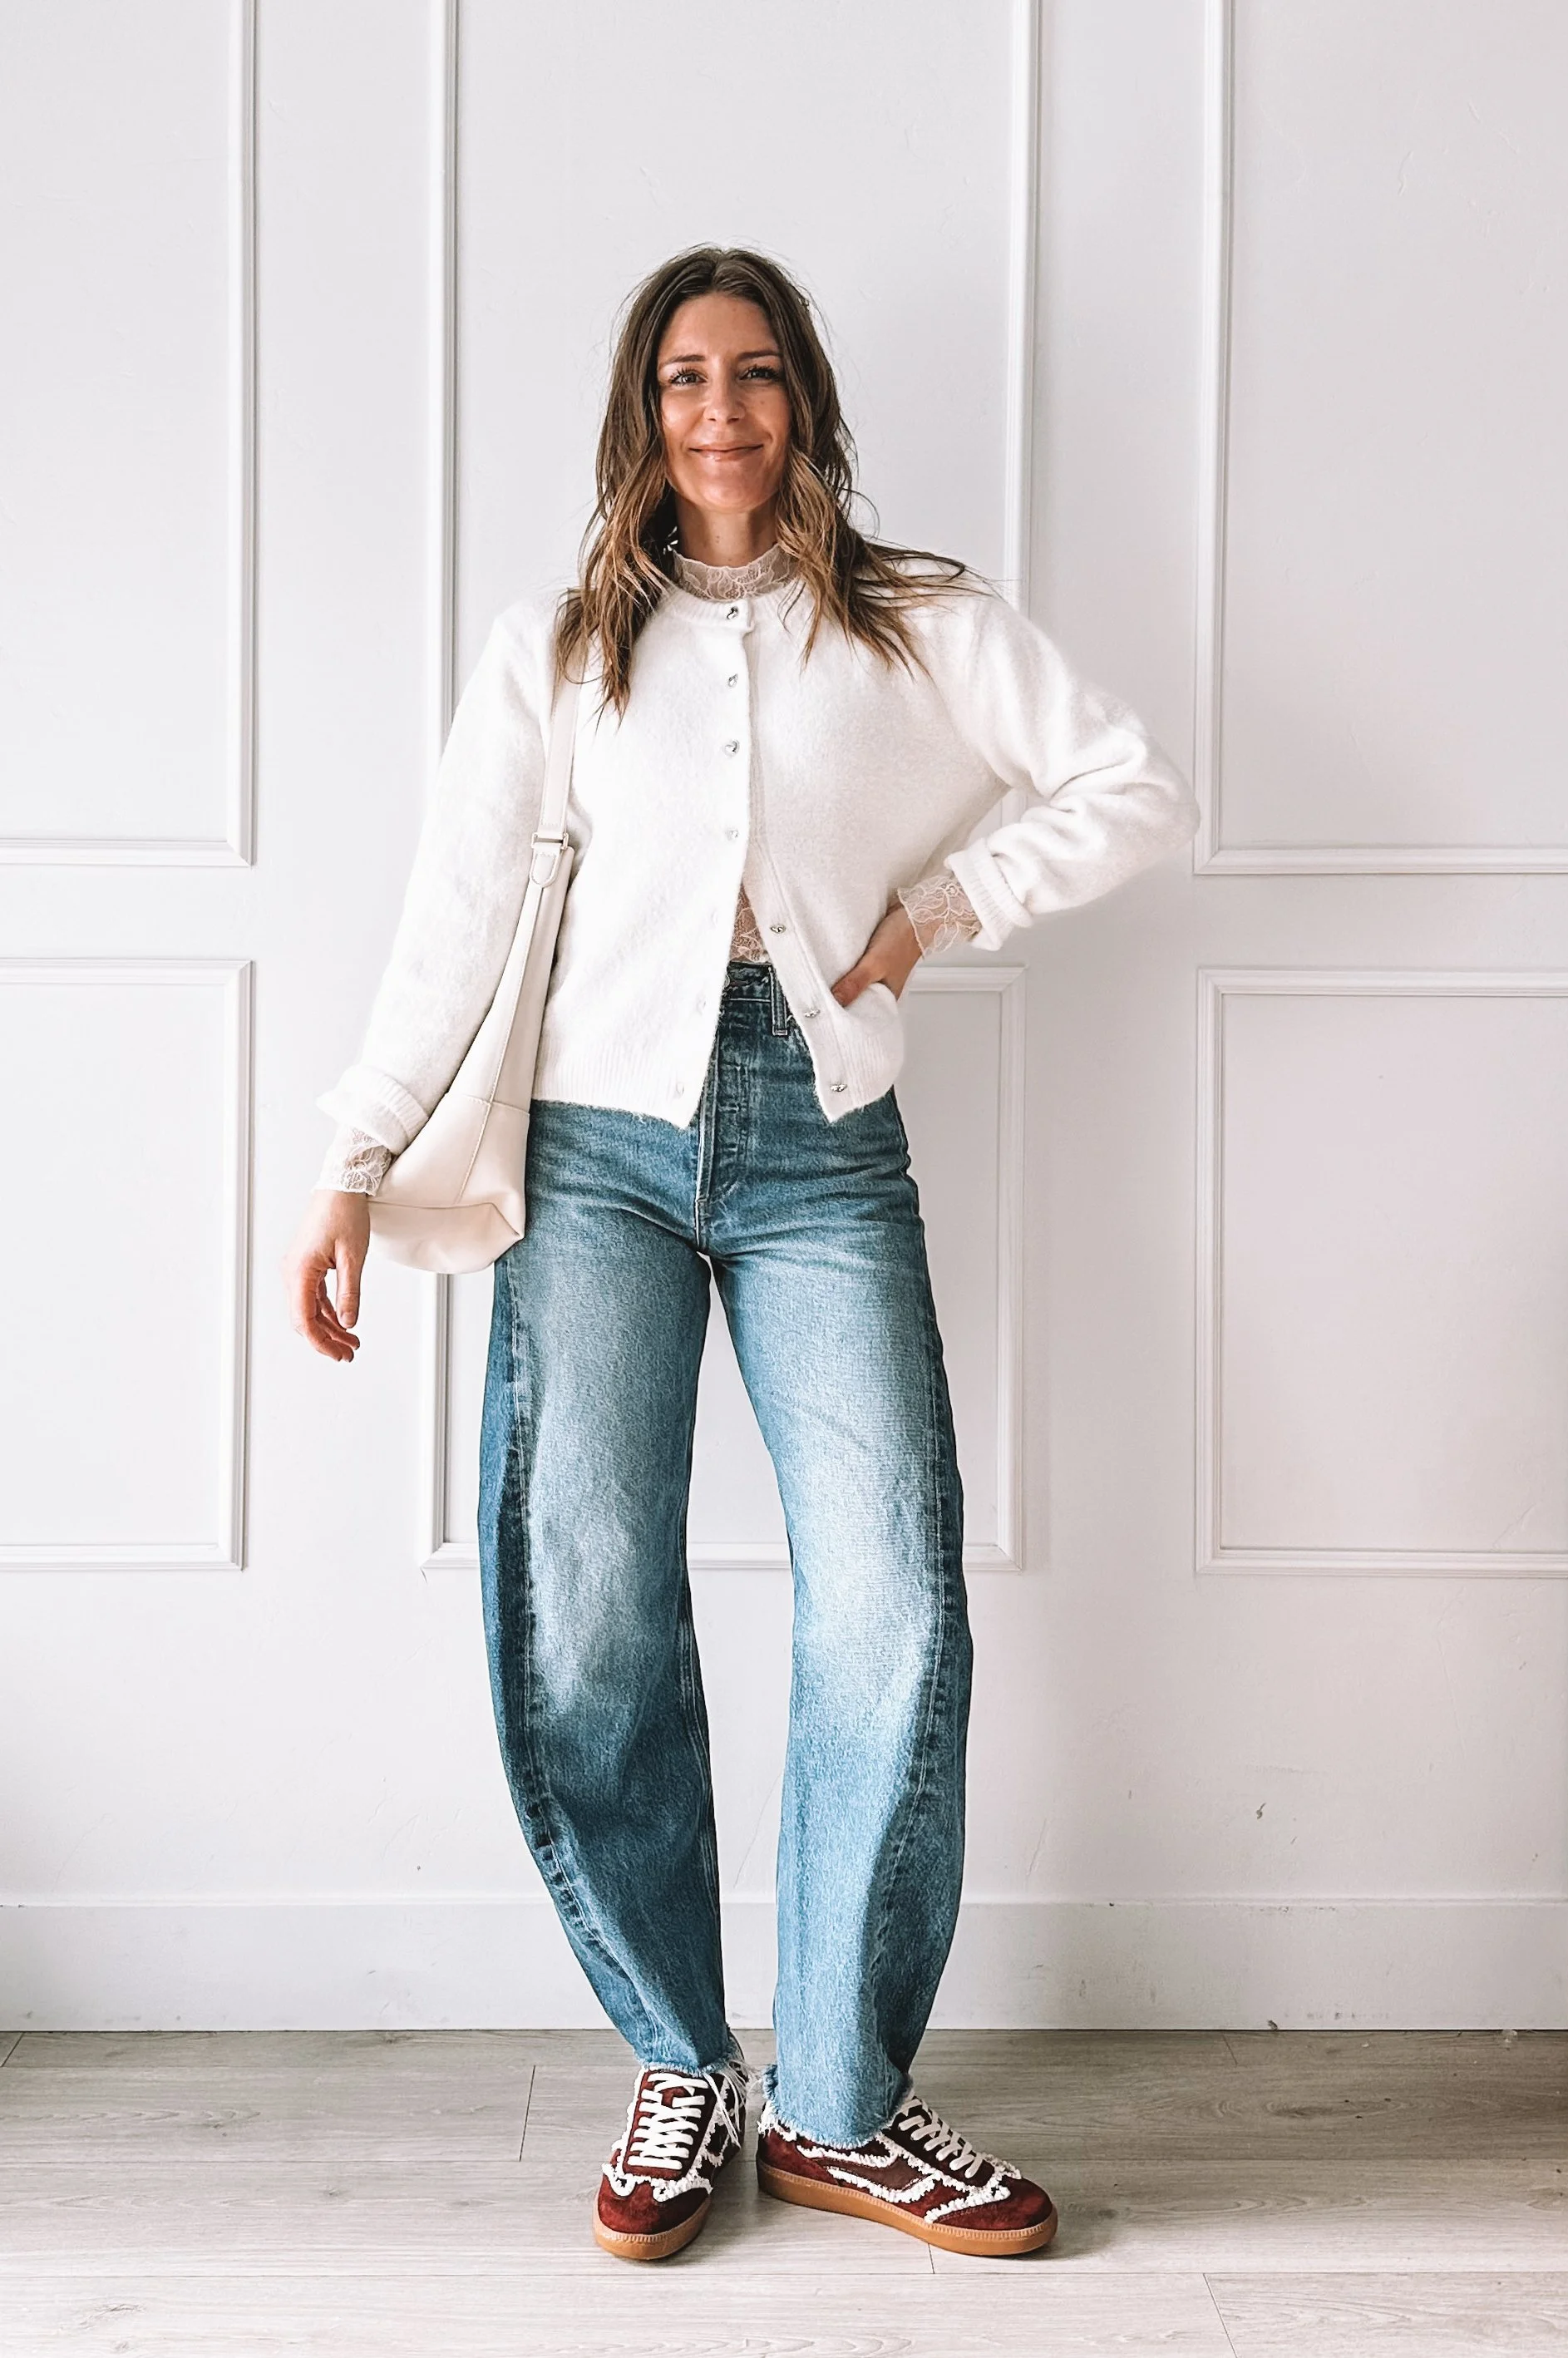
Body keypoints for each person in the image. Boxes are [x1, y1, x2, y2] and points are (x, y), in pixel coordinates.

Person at [284, 244, 1198, 2264]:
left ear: (804, 403)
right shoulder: (556, 648)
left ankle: (847, 2106)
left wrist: (939, 903)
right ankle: (680, 2061)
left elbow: (1138, 786)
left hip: (820, 1139)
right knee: (590, 1595)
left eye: (758, 375)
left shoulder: (917, 621)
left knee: (890, 1589)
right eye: (687, 376)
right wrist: (352, 1153)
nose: (723, 412)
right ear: (644, 405)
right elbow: (451, 917)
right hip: (596, 1146)